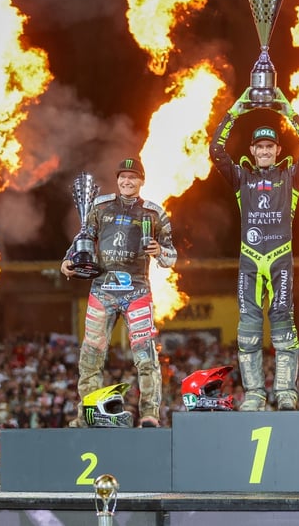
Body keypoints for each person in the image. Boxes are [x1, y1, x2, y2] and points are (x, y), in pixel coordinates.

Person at [209, 88, 299, 411]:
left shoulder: (291, 177)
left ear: (277, 149)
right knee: (247, 332)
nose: (266, 151)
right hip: (250, 262)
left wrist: (289, 112)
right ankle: (254, 393)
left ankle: (285, 391)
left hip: (281, 259)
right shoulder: (242, 177)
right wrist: (234, 112)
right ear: (253, 151)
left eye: (270, 146)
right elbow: (216, 150)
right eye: (260, 147)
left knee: (284, 328)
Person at [61, 158, 177, 427]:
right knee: (90, 355)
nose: (127, 181)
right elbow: (84, 236)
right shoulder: (100, 206)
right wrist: (67, 260)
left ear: (142, 181)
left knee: (146, 354)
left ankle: (149, 413)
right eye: (123, 177)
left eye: (133, 177)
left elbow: (172, 256)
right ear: (117, 179)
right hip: (102, 289)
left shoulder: (154, 213)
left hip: (137, 291)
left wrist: (160, 251)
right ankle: (86, 413)